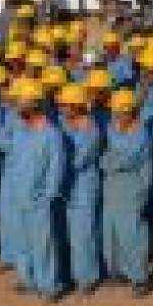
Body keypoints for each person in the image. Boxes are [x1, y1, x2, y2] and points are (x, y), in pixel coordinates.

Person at [10, 78, 66, 301]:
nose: (17, 107)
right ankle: (27, 279)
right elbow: (15, 161)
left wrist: (48, 195)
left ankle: (48, 286)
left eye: (21, 103)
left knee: (43, 244)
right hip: (19, 194)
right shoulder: (21, 131)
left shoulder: (51, 134)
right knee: (22, 240)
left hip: (39, 199)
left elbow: (56, 167)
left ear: (33, 105)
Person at [101, 89, 153, 297]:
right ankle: (119, 272)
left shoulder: (140, 134)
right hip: (112, 185)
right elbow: (107, 156)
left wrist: (107, 161)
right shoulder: (113, 127)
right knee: (111, 232)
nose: (115, 116)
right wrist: (107, 160)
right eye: (114, 112)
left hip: (131, 186)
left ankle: (139, 278)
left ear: (130, 111)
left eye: (119, 112)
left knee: (131, 234)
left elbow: (124, 159)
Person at [56, 83, 103, 294]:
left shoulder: (91, 130)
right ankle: (73, 274)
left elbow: (79, 160)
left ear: (77, 105)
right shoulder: (65, 124)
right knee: (68, 233)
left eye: (66, 105)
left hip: (84, 187)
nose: (62, 109)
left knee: (84, 234)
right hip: (68, 186)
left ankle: (87, 278)